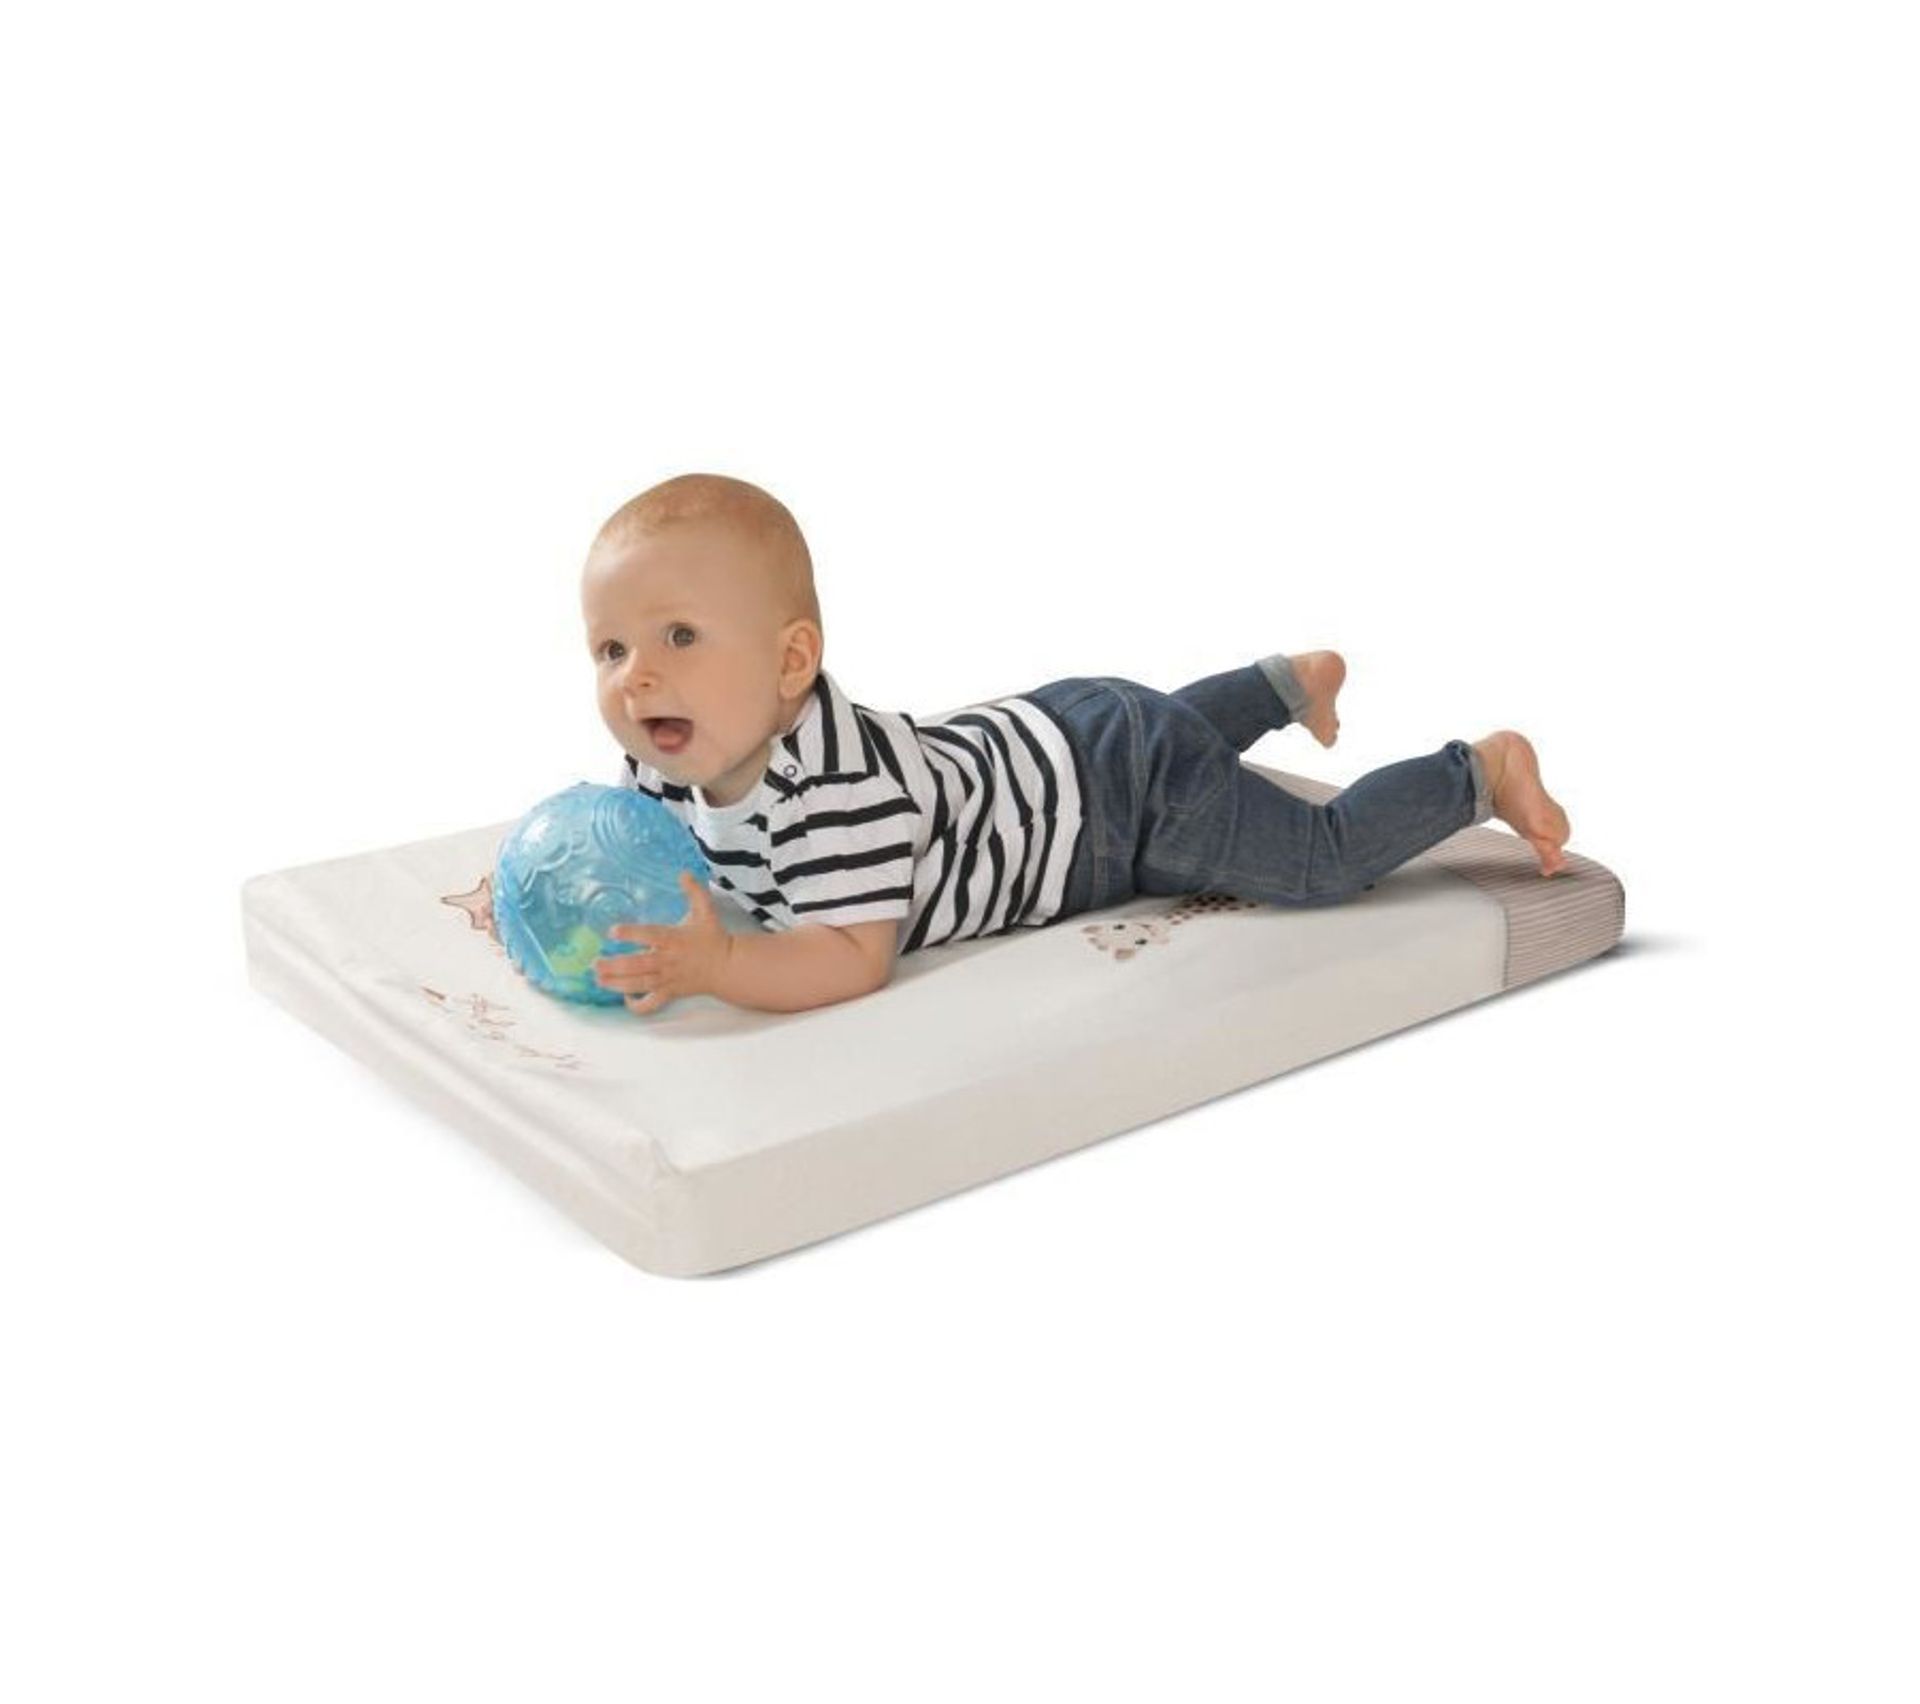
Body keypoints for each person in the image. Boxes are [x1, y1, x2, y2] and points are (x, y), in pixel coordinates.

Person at [584, 473, 1571, 1016]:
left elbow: (849, 957)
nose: (637, 678)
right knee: (1169, 736)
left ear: (793, 660)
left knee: (1315, 860)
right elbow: (628, 848)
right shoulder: (669, 756)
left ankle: (1480, 771)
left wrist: (720, 964)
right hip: (1067, 737)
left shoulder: (837, 797)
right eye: (612, 649)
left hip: (1115, 808)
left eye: (680, 637)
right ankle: (1284, 684)